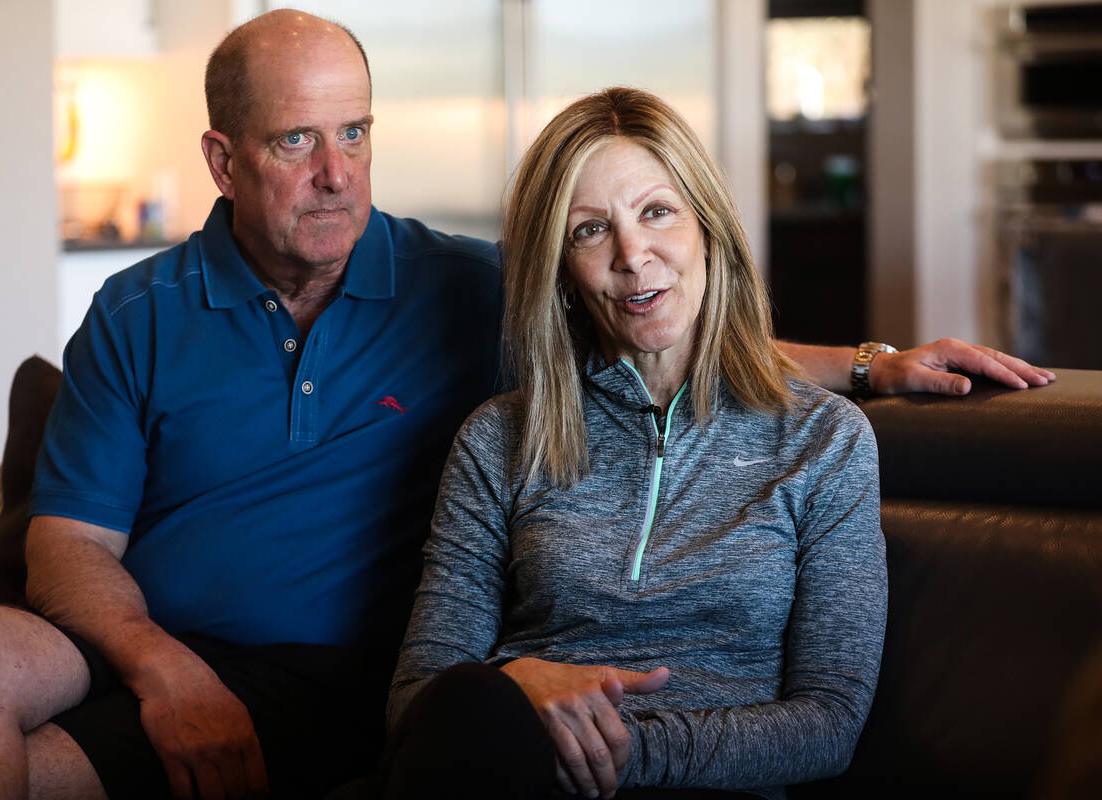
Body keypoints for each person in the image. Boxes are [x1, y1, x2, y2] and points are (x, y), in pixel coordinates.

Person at [0, 9, 1052, 800]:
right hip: (160, 650)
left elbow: (660, 316)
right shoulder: (138, 309)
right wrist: (165, 670)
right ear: (222, 157)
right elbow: (64, 550)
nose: (337, 173)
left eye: (354, 133)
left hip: (334, 682)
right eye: (297, 140)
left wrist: (869, 361)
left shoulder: (462, 283)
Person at [377, 88, 888, 800]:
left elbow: (829, 725)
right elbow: (416, 699)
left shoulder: (824, 439)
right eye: (590, 230)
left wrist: (612, 752)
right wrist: (512, 685)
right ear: (561, 271)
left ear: (707, 227)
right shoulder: (498, 439)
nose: (631, 255)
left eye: (656, 212)